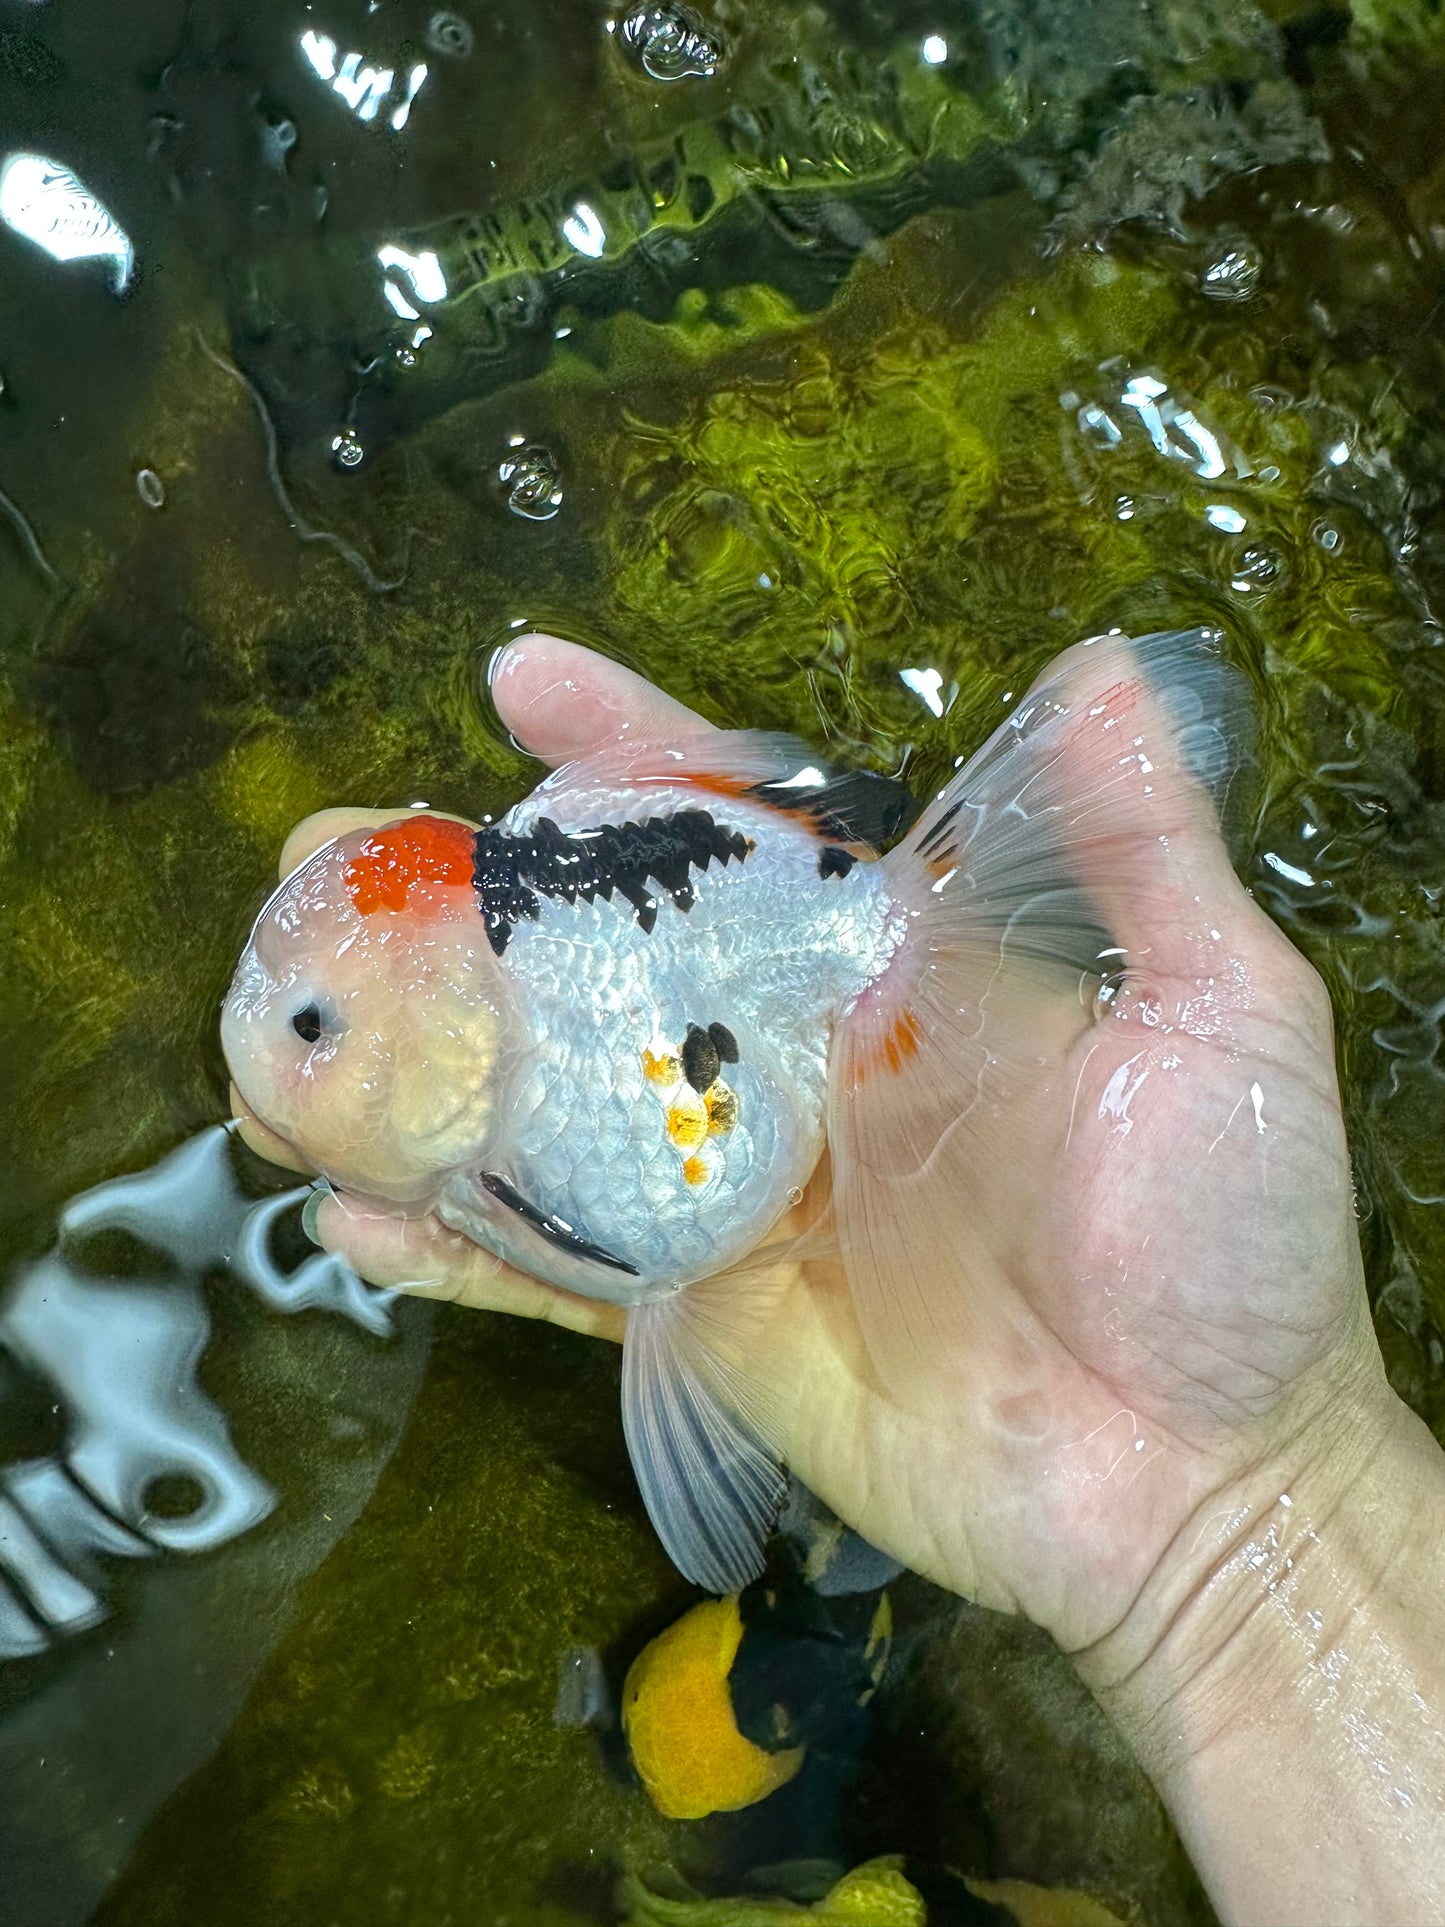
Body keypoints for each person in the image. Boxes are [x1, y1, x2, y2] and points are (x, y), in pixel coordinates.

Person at [236, 633, 1445, 1927]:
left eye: (313, 1027)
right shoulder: (474, 1139)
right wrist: (1251, 1516)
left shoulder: (549, 1017)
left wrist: (1245, 1502)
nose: (276, 1054)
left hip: (788, 952)